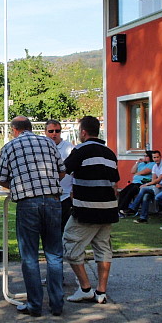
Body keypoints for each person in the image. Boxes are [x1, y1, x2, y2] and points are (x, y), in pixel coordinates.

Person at [0, 116, 65, 317]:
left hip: (28, 203)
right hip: (53, 201)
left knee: (30, 257)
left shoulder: (9, 147)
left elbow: (2, 178)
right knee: (54, 255)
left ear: (14, 130)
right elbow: (62, 172)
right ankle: (57, 304)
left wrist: (18, 185)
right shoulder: (48, 142)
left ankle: (35, 305)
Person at [63, 116, 119, 305]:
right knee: (103, 249)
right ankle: (101, 292)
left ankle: (85, 288)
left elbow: (63, 170)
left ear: (83, 132)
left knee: (70, 246)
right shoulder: (110, 153)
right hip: (108, 209)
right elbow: (114, 183)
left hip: (86, 209)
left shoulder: (80, 149)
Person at [125, 150, 162, 223]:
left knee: (143, 189)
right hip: (157, 186)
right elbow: (154, 179)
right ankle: (143, 218)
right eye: (154, 157)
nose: (156, 159)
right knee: (146, 196)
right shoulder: (155, 166)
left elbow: (159, 179)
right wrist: (155, 184)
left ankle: (133, 208)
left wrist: (147, 184)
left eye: (157, 157)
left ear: (160, 157)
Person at [44, 119, 74, 233]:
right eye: (51, 131)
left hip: (65, 195)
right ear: (45, 132)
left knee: (65, 230)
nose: (54, 134)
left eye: (57, 131)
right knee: (49, 231)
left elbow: (75, 172)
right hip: (47, 195)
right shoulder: (41, 147)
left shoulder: (69, 148)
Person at [117, 151, 154, 216]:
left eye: (146, 156)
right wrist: (137, 163)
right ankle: (119, 209)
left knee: (130, 193)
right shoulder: (141, 164)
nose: (144, 157)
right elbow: (132, 171)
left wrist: (137, 173)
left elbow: (145, 172)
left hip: (142, 183)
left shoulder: (152, 164)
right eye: (144, 156)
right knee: (123, 192)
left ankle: (123, 210)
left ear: (150, 157)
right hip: (134, 182)